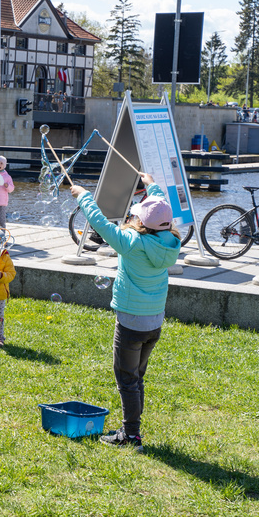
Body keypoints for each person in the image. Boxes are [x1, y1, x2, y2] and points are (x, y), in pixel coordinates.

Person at [70, 173, 181, 452]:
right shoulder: (170, 241)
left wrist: (83, 195)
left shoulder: (131, 243)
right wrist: (151, 184)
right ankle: (132, 429)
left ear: (142, 222)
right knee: (136, 376)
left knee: (127, 378)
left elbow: (99, 223)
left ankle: (131, 435)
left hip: (131, 322)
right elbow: (161, 206)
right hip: (154, 321)